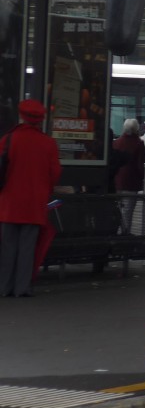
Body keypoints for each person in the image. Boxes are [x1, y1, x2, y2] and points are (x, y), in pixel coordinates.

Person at [0, 100, 62, 297]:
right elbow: (55, 173)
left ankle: (4, 286)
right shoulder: (48, 143)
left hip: (9, 203)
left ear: (21, 116)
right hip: (34, 204)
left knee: (7, 247)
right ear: (41, 120)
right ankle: (22, 288)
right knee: (27, 248)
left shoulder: (8, 139)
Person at [112, 118, 145, 234]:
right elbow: (141, 165)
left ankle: (115, 232)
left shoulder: (116, 142)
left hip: (116, 182)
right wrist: (143, 179)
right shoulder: (139, 143)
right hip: (131, 183)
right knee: (127, 211)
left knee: (116, 210)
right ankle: (124, 235)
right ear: (136, 129)